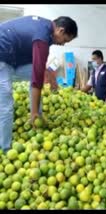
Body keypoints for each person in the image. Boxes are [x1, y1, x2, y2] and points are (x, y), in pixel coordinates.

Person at [0, 15, 78, 152]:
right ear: (60, 30)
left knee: (37, 76)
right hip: (3, 58)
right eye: (65, 40)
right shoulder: (41, 37)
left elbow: (40, 69)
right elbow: (37, 76)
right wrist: (33, 111)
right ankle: (4, 148)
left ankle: (38, 116)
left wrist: (51, 78)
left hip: (13, 59)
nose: (63, 44)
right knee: (6, 103)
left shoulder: (45, 27)